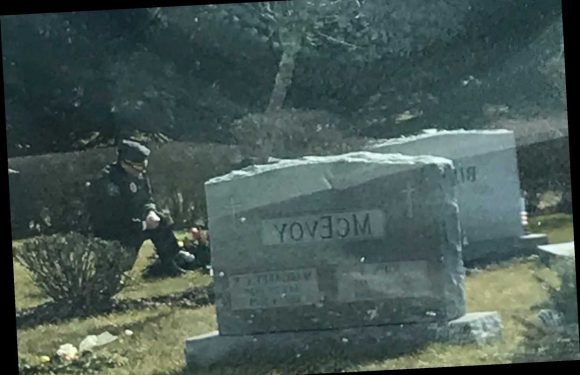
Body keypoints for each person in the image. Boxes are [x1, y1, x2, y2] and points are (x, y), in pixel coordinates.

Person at [86, 139, 195, 278]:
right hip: (117, 232)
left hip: (138, 225)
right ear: (125, 163)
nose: (142, 170)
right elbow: (112, 217)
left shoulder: (138, 176)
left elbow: (146, 199)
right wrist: (143, 225)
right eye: (138, 166)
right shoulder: (108, 181)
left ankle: (171, 263)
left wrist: (150, 212)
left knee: (160, 222)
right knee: (116, 269)